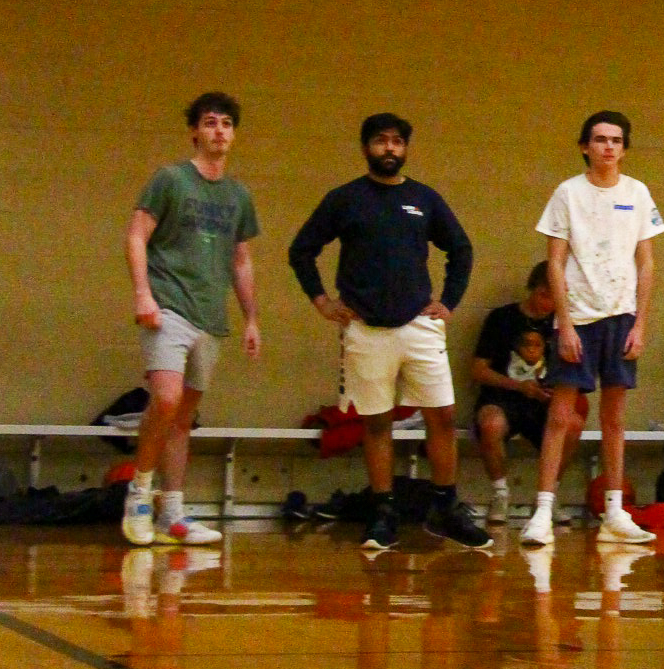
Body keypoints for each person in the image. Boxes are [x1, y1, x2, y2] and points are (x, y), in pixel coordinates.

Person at [288, 112, 484, 553]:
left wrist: (448, 302)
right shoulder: (345, 199)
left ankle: (446, 507)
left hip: (419, 323)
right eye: (381, 141)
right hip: (364, 328)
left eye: (397, 141)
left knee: (444, 416)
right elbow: (301, 250)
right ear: (366, 148)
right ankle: (383, 511)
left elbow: (461, 248)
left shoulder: (424, 199)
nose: (390, 148)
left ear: (406, 149)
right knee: (376, 422)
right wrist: (322, 301)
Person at [123, 91, 261, 547]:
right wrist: (143, 294)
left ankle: (174, 514)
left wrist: (251, 319)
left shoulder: (239, 195)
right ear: (195, 132)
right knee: (165, 399)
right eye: (210, 122)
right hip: (168, 305)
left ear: (233, 134)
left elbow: (241, 260)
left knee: (183, 416)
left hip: (210, 314)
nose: (219, 130)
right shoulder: (170, 180)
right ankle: (139, 494)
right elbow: (137, 235)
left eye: (226, 123)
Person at [525, 110, 664, 550]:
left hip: (621, 317)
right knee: (561, 417)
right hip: (578, 318)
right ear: (585, 145)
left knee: (614, 418)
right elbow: (555, 262)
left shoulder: (638, 193)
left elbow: (646, 262)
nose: (608, 147)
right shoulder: (567, 193)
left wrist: (641, 323)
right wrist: (563, 323)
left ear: (624, 149)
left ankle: (615, 511)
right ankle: (543, 511)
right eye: (600, 139)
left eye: (616, 140)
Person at [471, 261, 556, 523]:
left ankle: (549, 497)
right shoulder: (502, 319)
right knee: (491, 423)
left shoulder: (562, 324)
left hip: (543, 403)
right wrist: (520, 386)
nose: (550, 303)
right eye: (546, 294)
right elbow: (478, 370)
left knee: (572, 424)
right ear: (535, 289)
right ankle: (500, 493)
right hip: (503, 397)